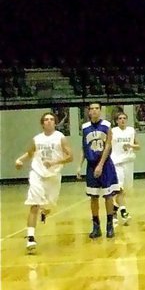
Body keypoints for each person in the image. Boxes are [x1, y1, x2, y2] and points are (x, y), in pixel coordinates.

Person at [14, 112, 73, 253]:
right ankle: (30, 238)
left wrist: (54, 162)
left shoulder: (60, 137)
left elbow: (70, 157)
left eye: (51, 119)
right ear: (42, 123)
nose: (49, 121)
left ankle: (44, 211)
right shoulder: (37, 139)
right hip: (37, 173)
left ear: (55, 122)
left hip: (53, 176)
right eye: (46, 119)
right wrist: (20, 160)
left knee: (49, 205)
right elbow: (30, 153)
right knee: (34, 204)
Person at [76, 102, 120, 239]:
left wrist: (100, 165)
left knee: (108, 196)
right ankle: (96, 226)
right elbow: (84, 147)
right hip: (91, 164)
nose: (94, 111)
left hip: (105, 164)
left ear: (100, 111)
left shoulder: (106, 125)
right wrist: (79, 165)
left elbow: (107, 146)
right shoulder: (85, 127)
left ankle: (109, 226)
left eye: (97, 109)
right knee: (93, 196)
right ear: (88, 112)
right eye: (92, 109)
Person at [110, 111, 140, 225]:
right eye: (120, 118)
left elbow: (138, 146)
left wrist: (131, 145)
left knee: (126, 189)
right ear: (116, 121)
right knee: (119, 188)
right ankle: (123, 211)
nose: (122, 120)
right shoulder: (112, 131)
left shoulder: (131, 131)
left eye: (124, 118)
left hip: (129, 162)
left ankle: (114, 211)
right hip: (117, 162)